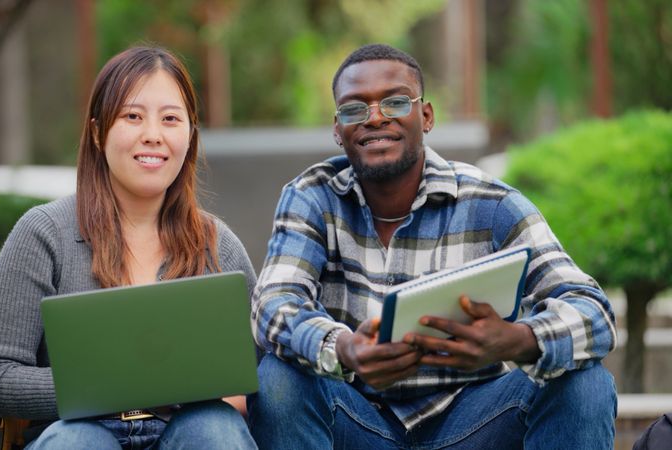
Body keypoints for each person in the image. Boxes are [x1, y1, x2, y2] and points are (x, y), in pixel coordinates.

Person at [248, 43, 618, 449]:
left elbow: (592, 310)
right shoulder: (312, 197)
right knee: (277, 379)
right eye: (355, 109)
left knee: (586, 382)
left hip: (477, 424)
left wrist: (518, 340)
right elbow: (274, 304)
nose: (374, 118)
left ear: (425, 116)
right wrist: (344, 347)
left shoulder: (491, 203)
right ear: (338, 130)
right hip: (355, 420)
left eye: (394, 102)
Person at [0, 45, 257, 450]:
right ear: (99, 131)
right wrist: (118, 386)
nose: (153, 135)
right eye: (132, 116)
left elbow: (260, 369)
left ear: (190, 136)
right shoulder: (44, 233)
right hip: (74, 431)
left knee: (216, 430)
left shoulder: (216, 245)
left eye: (171, 119)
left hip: (190, 433)